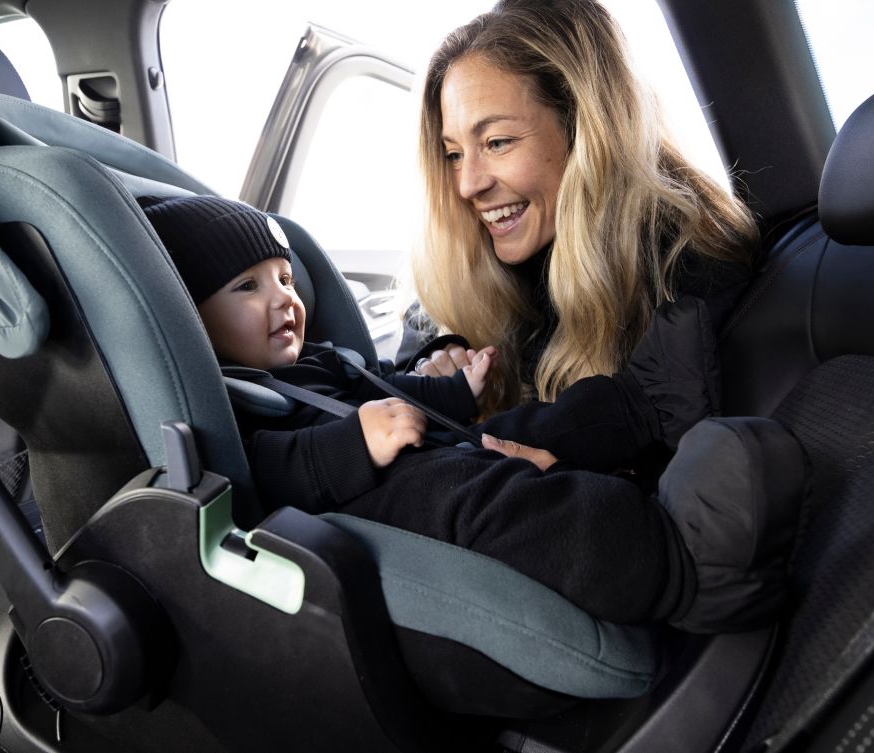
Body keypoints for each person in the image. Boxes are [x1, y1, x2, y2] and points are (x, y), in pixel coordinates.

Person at [140, 194, 806, 634]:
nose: (282, 297)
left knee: (522, 428)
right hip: (374, 496)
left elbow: (389, 391)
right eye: (246, 287)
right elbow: (265, 471)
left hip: (411, 450)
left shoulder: (311, 360)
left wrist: (456, 393)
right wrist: (353, 444)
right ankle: (679, 564)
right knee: (487, 492)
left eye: (284, 278)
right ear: (187, 319)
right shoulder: (228, 398)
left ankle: (644, 404)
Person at [401, 0, 757, 416]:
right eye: (453, 154)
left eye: (497, 143)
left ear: (586, 129)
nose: (467, 184)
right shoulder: (471, 275)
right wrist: (432, 374)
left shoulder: (689, 278)